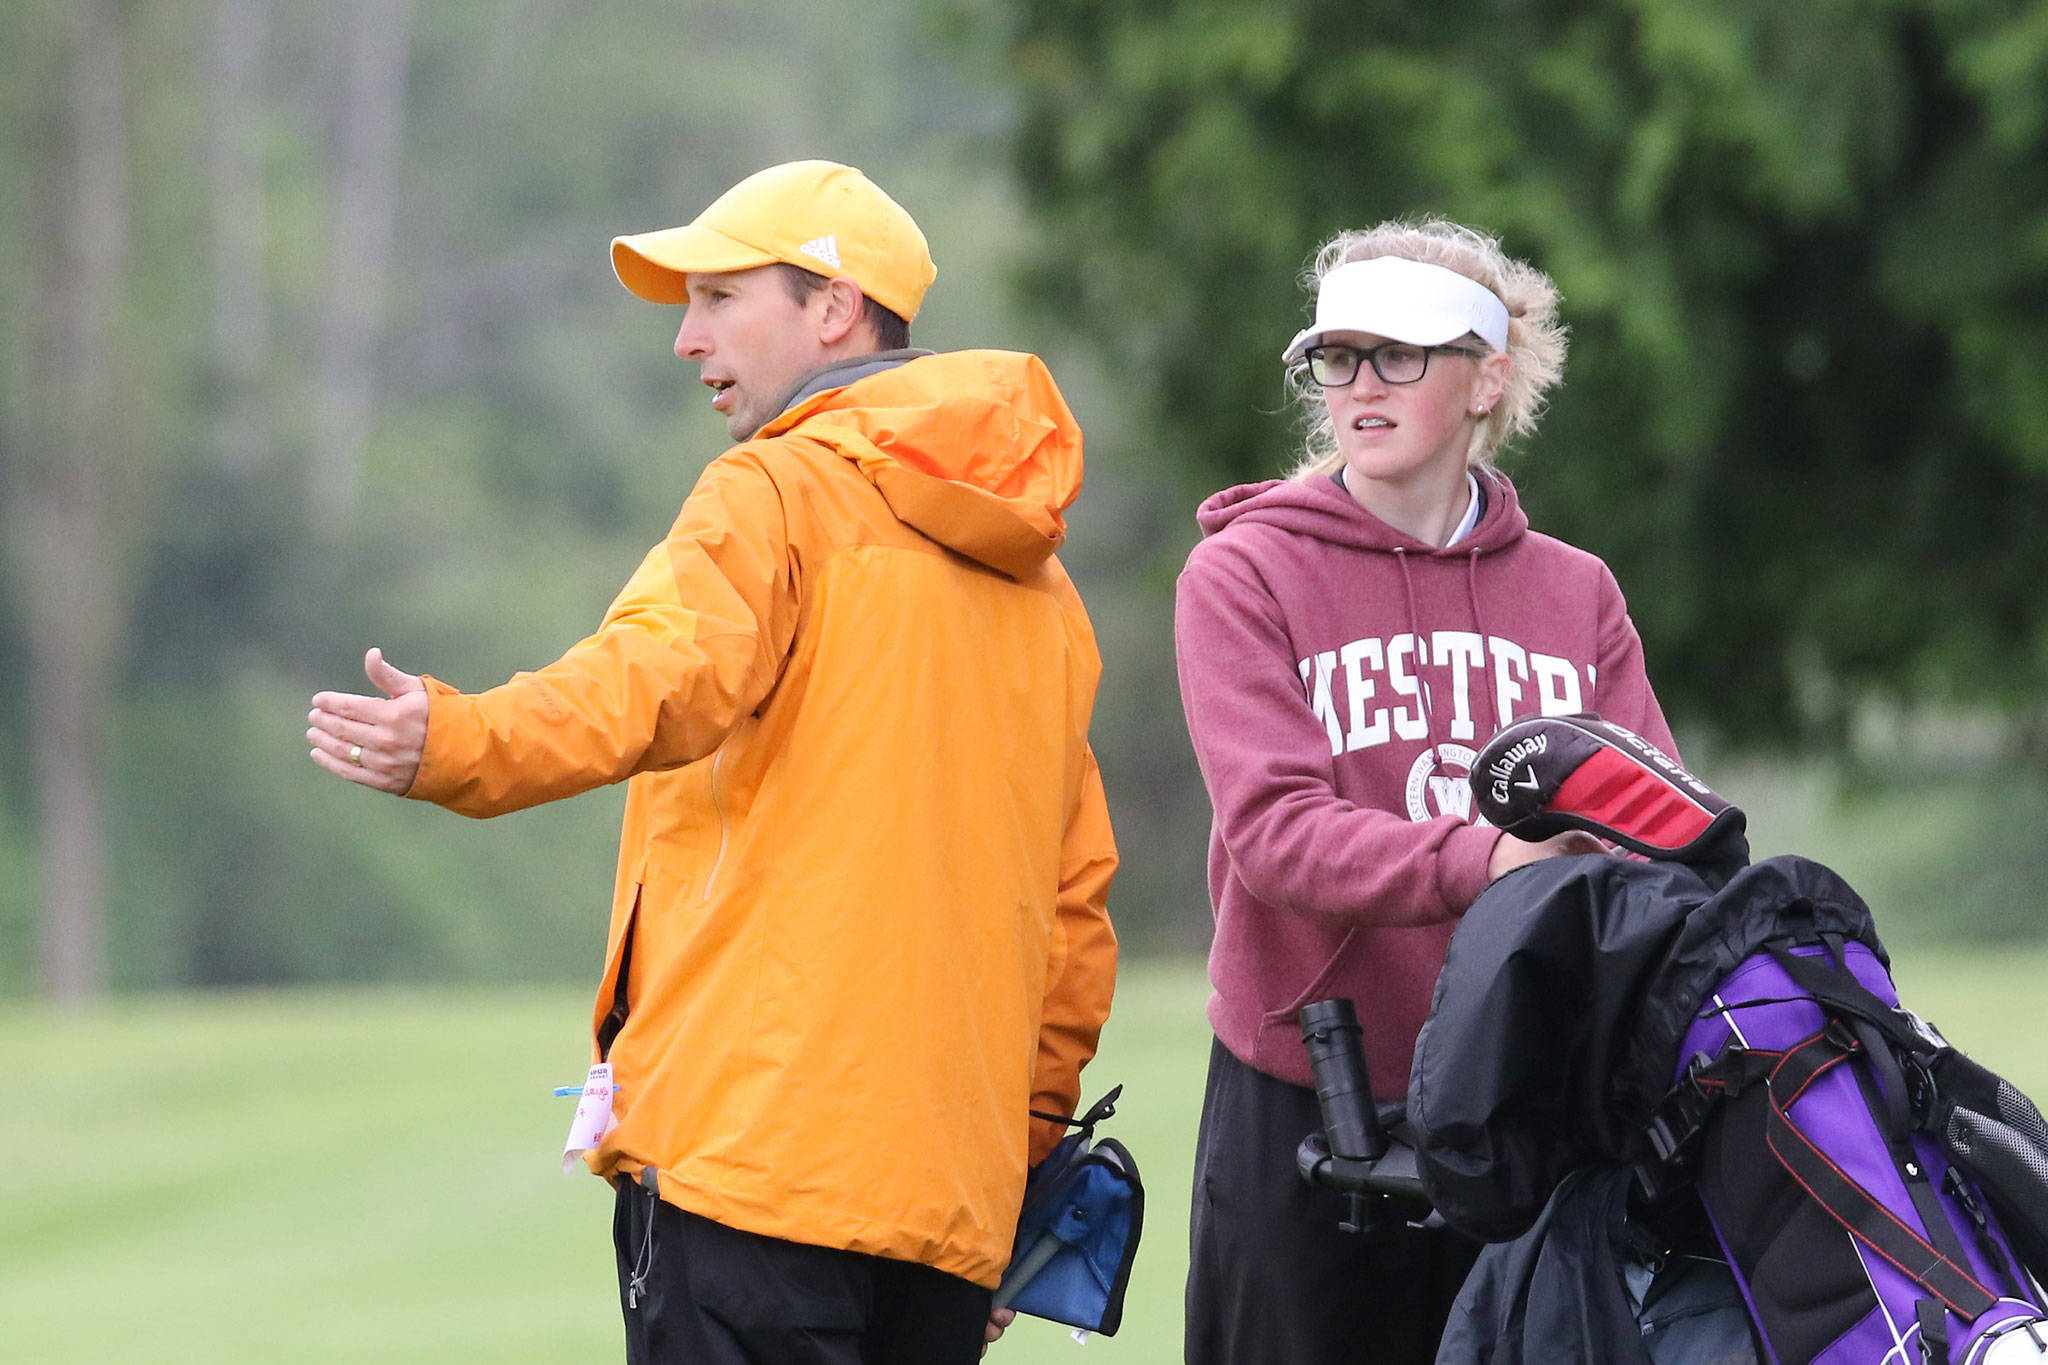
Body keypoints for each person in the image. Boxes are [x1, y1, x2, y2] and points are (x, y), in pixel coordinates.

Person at [304, 160, 1119, 1365]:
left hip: (753, 1168)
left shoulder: (773, 492)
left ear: (833, 309)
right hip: (950, 1202)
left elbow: (654, 678)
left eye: (719, 298)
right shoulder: (1043, 591)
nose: (686, 341)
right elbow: (1073, 911)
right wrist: (1021, 1158)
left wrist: (465, 741)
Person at [1172, 219, 1680, 1364]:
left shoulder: (1575, 593)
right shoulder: (1243, 571)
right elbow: (1273, 834)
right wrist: (1487, 861)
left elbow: (1649, 825)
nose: (1359, 384)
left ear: (1485, 375)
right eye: (1336, 356)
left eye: (1398, 355)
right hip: (1302, 1097)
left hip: (1526, 1099)